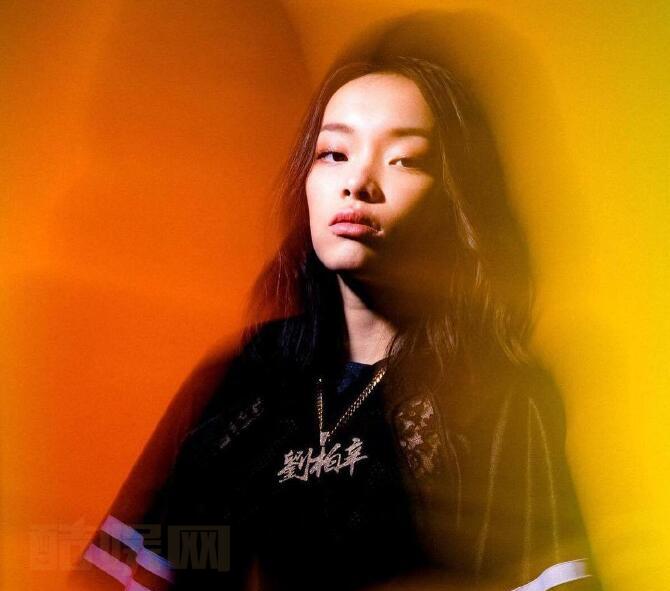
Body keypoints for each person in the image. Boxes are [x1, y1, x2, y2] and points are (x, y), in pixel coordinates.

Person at [72, 55, 601, 591]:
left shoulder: (497, 392)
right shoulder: (244, 377)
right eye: (334, 154)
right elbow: (128, 574)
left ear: (454, 200)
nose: (358, 182)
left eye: (404, 159)